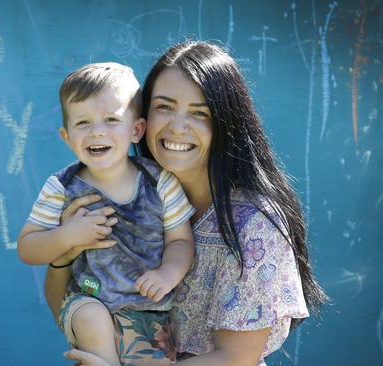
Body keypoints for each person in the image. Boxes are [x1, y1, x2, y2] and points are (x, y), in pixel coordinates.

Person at [45, 41, 327, 366]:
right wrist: (63, 256)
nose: (177, 127)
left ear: (226, 123)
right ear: (141, 119)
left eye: (199, 113)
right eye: (164, 107)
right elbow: (69, 304)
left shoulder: (253, 223)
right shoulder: (127, 196)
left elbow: (236, 358)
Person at [18, 62, 196, 366]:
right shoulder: (61, 187)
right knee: (91, 317)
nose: (96, 131)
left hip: (149, 309)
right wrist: (66, 236)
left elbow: (181, 241)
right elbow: (28, 247)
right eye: (83, 123)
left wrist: (168, 273)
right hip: (88, 298)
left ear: (137, 130)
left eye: (111, 120)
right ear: (66, 136)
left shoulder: (159, 181)